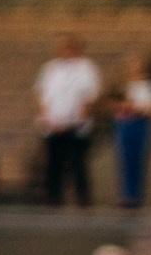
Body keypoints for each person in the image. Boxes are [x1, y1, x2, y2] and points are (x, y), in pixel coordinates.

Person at [37, 34, 102, 206]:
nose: (65, 50)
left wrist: (77, 120)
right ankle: (53, 196)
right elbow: (41, 94)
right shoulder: (50, 68)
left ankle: (82, 196)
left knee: (78, 163)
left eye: (68, 47)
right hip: (53, 125)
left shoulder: (86, 68)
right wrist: (45, 117)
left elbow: (90, 96)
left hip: (76, 126)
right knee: (53, 163)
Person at [115, 54, 151, 209]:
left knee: (139, 161)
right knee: (126, 161)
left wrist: (136, 108)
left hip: (142, 125)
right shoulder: (125, 86)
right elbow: (119, 107)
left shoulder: (149, 87)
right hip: (126, 125)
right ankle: (126, 194)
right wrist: (128, 107)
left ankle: (137, 196)